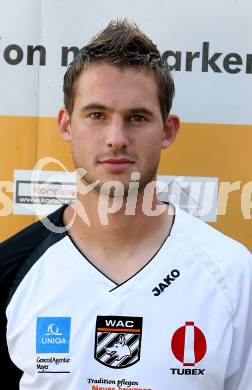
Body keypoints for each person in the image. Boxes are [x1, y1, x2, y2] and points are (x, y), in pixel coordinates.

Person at [0, 19, 251, 390]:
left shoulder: (234, 274)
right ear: (67, 124)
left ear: (167, 130)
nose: (116, 138)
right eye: (97, 115)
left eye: (137, 117)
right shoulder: (12, 269)